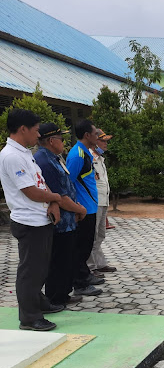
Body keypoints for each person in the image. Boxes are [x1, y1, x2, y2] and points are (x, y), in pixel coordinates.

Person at [0, 110, 63, 331]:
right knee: (30, 271)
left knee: (40, 268)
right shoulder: (11, 155)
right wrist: (56, 198)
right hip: (28, 221)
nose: (38, 135)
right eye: (36, 130)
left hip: (40, 218)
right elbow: (30, 191)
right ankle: (29, 317)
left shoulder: (25, 153)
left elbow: (40, 182)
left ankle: (39, 303)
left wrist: (53, 203)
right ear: (23, 129)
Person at [34, 123, 87, 308]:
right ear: (51, 140)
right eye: (61, 139)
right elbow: (59, 197)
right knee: (58, 261)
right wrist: (79, 210)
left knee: (67, 259)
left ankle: (63, 294)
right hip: (59, 222)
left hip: (68, 220)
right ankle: (55, 297)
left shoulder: (53, 158)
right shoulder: (44, 161)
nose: (63, 142)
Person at [66, 119, 103, 296]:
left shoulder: (85, 153)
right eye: (96, 133)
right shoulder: (76, 155)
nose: (98, 136)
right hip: (82, 209)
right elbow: (68, 183)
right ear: (87, 135)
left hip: (91, 207)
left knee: (87, 245)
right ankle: (79, 284)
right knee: (80, 247)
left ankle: (85, 275)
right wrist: (75, 208)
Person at [87, 129, 116, 274]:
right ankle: (90, 267)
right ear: (94, 141)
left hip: (103, 200)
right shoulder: (89, 158)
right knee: (92, 235)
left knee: (100, 234)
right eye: (102, 141)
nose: (105, 144)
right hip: (94, 202)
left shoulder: (100, 159)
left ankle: (99, 263)